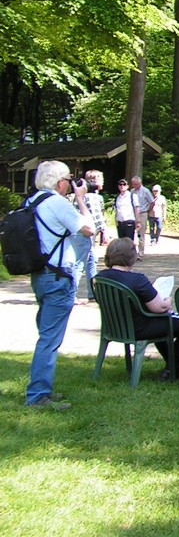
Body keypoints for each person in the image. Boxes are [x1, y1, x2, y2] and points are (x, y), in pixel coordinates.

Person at [25, 160, 96, 410]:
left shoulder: (31, 202)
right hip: (58, 277)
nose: (69, 184)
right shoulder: (56, 202)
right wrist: (80, 199)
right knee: (49, 338)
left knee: (46, 334)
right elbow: (89, 228)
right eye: (67, 180)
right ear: (59, 182)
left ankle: (41, 389)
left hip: (40, 275)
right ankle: (38, 395)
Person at [100, 237, 179, 379]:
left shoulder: (100, 277)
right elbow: (159, 308)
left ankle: (172, 365)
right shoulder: (137, 279)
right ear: (131, 257)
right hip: (140, 328)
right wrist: (168, 300)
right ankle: (173, 367)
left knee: (167, 324)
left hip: (114, 328)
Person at [82, 169, 108, 302]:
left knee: (91, 260)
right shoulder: (92, 196)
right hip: (86, 234)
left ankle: (92, 292)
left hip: (86, 233)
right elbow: (97, 217)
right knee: (85, 261)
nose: (103, 182)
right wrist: (105, 231)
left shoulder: (85, 195)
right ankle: (89, 292)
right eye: (101, 179)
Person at [130, 176, 154, 257]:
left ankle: (140, 253)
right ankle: (131, 252)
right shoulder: (132, 191)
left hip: (143, 213)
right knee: (131, 232)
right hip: (133, 213)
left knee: (141, 233)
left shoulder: (145, 191)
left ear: (140, 183)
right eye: (133, 184)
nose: (135, 186)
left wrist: (148, 211)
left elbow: (152, 202)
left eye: (136, 184)